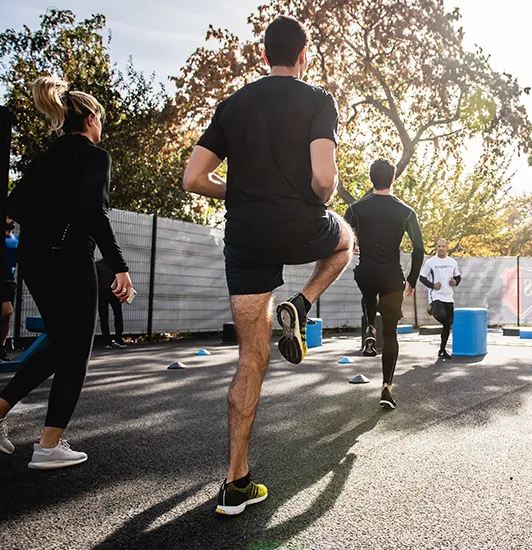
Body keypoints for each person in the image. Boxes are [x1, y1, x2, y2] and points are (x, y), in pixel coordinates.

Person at [182, 15, 353, 516]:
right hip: (301, 227)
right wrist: (320, 195)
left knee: (250, 360)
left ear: (264, 56)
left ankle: (236, 482)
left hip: (247, 238)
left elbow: (194, 178)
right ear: (303, 57)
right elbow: (324, 178)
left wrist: (237, 192)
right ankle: (302, 302)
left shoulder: (232, 106)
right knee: (345, 240)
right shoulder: (319, 100)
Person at [0, 76, 133, 469]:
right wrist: (119, 266)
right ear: (89, 119)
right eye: (99, 119)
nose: (100, 128)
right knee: (76, 354)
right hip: (70, 260)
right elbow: (94, 212)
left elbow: (10, 207)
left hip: (35, 262)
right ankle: (49, 445)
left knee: (60, 345)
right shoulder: (94, 156)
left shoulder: (46, 157)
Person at [344, 159, 425, 409]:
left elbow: (343, 237)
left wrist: (354, 245)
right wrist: (412, 279)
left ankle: (369, 326)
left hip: (366, 271)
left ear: (371, 179)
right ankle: (386, 388)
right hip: (392, 277)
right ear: (393, 179)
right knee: (390, 335)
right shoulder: (406, 211)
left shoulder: (356, 208)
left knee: (368, 291)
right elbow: (419, 249)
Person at [419, 239, 461, 360]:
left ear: (447, 247)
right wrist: (432, 286)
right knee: (442, 317)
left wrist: (455, 282)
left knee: (448, 323)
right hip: (435, 295)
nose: (441, 248)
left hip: (448, 296)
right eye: (438, 246)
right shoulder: (430, 262)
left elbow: (458, 276)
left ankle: (442, 350)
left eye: (443, 246)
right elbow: (422, 278)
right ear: (436, 248)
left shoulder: (452, 262)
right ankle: (433, 308)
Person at [0, 218, 19, 362]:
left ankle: (0, 348)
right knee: (4, 312)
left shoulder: (16, 239)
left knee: (6, 316)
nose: (11, 220)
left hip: (9, 282)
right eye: (8, 217)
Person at [96, 258, 126, 349]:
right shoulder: (115, 264)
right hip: (114, 293)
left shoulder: (97, 265)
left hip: (101, 293)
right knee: (118, 315)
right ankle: (118, 339)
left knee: (104, 318)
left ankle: (107, 342)